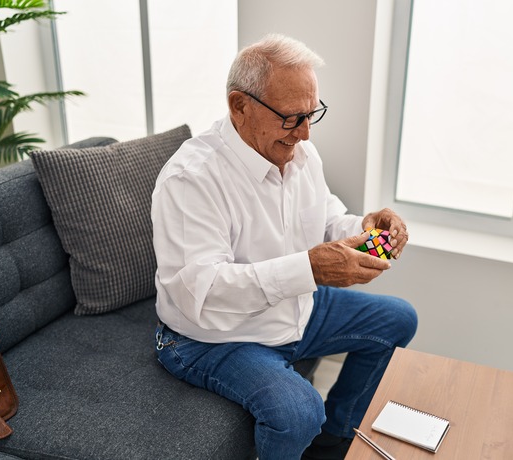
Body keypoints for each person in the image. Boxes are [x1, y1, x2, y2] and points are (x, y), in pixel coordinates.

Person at [151, 33, 417, 460]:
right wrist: (309, 270)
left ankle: (335, 438)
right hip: (211, 337)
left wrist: (367, 229)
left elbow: (327, 218)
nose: (305, 133)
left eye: (312, 115)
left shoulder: (299, 152)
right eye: (292, 118)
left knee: (399, 320)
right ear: (240, 106)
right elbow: (199, 288)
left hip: (296, 309)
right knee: (297, 411)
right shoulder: (191, 178)